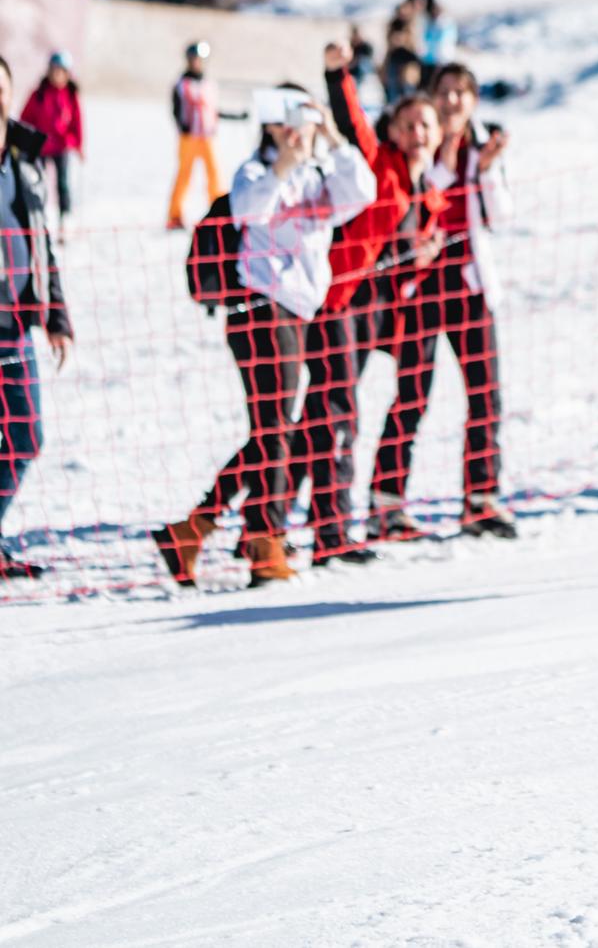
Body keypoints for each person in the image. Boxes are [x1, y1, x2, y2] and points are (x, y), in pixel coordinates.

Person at [154, 82, 377, 586]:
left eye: (302, 114)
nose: (294, 126)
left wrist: (333, 135)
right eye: (284, 115)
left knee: (274, 430)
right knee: (276, 428)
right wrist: (286, 161)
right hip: (261, 311)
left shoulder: (321, 176)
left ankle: (192, 528)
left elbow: (363, 191)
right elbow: (248, 208)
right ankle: (264, 540)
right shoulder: (256, 172)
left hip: (299, 311)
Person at [288, 42, 447, 567]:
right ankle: (324, 531)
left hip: (378, 314)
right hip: (342, 302)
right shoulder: (379, 163)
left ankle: (274, 516)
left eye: (426, 125)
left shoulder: (430, 191)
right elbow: (354, 125)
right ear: (394, 131)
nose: (417, 133)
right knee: (335, 414)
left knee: (324, 412)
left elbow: (407, 258)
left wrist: (423, 254)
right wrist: (339, 75)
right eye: (408, 125)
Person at [368, 62, 518, 541]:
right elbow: (410, 198)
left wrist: (489, 171)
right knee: (412, 395)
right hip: (420, 291)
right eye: (446, 92)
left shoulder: (484, 147)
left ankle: (481, 498)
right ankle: (386, 503)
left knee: (485, 394)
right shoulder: (418, 145)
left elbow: (500, 215)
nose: (454, 102)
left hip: (471, 290)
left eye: (463, 93)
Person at [0, 53, 74, 580]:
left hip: (16, 324)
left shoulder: (25, 162)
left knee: (27, 437)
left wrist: (58, 317)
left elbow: (44, 248)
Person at [19, 52, 83, 239]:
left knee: (63, 184)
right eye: (54, 71)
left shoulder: (70, 95)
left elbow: (77, 123)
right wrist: (25, 142)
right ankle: (40, 217)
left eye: (61, 72)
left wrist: (77, 144)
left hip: (62, 147)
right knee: (39, 183)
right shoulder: (38, 94)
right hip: (40, 147)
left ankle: (66, 218)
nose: (57, 76)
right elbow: (25, 119)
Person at [167, 41, 225, 231]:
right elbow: (176, 108)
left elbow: (213, 109)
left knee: (214, 174)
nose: (196, 63)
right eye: (193, 59)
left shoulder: (209, 84)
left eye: (199, 59)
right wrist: (182, 125)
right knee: (184, 175)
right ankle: (175, 214)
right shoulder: (181, 84)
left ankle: (219, 213)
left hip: (207, 137)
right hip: (189, 137)